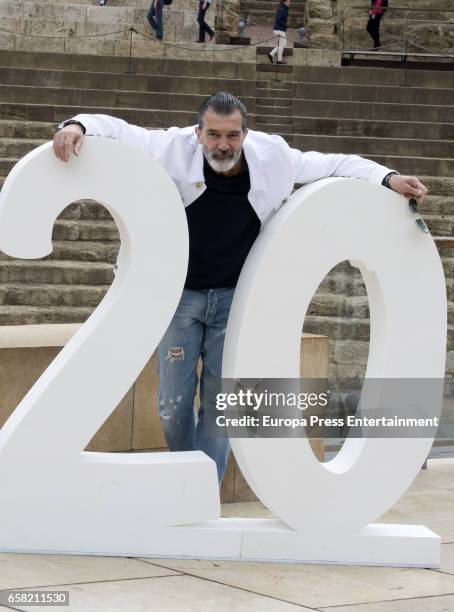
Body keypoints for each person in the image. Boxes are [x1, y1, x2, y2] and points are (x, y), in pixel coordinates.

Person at [53, 92, 428, 484]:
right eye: (213, 134)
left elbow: (335, 163)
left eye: (232, 136)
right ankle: (186, 482)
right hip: (178, 295)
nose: (222, 145)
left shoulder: (273, 157)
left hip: (236, 298)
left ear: (245, 135)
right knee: (172, 402)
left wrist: (387, 178)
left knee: (221, 402)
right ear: (198, 133)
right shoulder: (170, 148)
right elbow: (119, 130)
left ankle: (206, 489)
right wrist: (76, 125)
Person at [268, 0, 290, 65]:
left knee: (282, 44)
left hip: (279, 29)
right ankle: (278, 60)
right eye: (288, 1)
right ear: (284, 2)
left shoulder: (283, 9)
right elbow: (278, 19)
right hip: (279, 29)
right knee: (283, 44)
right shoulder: (282, 9)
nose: (289, 3)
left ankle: (271, 54)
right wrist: (285, 25)